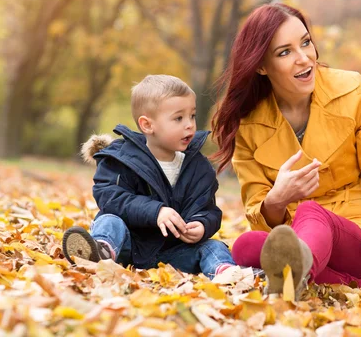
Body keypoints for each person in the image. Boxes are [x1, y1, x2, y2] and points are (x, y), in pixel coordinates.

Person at [210, 3, 361, 295]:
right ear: (262, 66)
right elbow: (257, 208)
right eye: (285, 52)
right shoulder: (248, 123)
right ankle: (325, 279)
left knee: (311, 213)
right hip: (293, 235)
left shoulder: (352, 89)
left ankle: (295, 271)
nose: (304, 59)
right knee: (245, 246)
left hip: (355, 235)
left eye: (306, 43)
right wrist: (277, 199)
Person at [62, 75, 236, 279]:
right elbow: (109, 197)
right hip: (127, 248)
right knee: (109, 221)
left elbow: (208, 208)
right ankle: (100, 253)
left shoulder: (199, 168)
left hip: (173, 254)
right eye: (179, 118)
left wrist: (202, 224)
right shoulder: (122, 159)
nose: (189, 125)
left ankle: (227, 272)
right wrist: (156, 211)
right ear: (147, 125)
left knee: (212, 246)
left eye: (193, 116)